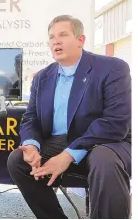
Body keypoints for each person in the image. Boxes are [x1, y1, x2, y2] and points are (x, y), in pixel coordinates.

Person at [7, 15, 131, 219]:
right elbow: (31, 119)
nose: (56, 41)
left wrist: (68, 155)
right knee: (18, 160)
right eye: (51, 37)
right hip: (58, 141)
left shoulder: (113, 68)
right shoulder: (42, 77)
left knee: (104, 160)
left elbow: (115, 123)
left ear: (80, 40)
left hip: (106, 142)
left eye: (63, 35)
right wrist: (31, 146)